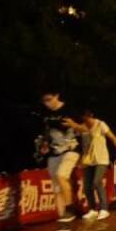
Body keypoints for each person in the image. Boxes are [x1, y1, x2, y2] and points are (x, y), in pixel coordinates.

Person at [39, 91, 83, 223]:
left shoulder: (70, 109)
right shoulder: (46, 114)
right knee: (57, 187)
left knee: (61, 175)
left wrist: (74, 125)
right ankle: (63, 217)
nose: (47, 103)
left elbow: (85, 128)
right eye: (44, 101)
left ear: (57, 96)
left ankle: (69, 208)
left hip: (71, 149)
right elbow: (46, 132)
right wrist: (45, 145)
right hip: (54, 152)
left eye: (49, 99)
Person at [78, 109, 116, 221]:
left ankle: (104, 209)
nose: (86, 120)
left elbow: (113, 138)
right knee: (87, 187)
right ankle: (92, 210)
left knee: (96, 182)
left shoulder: (100, 125)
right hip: (88, 161)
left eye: (87, 118)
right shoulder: (82, 128)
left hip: (101, 159)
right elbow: (83, 145)